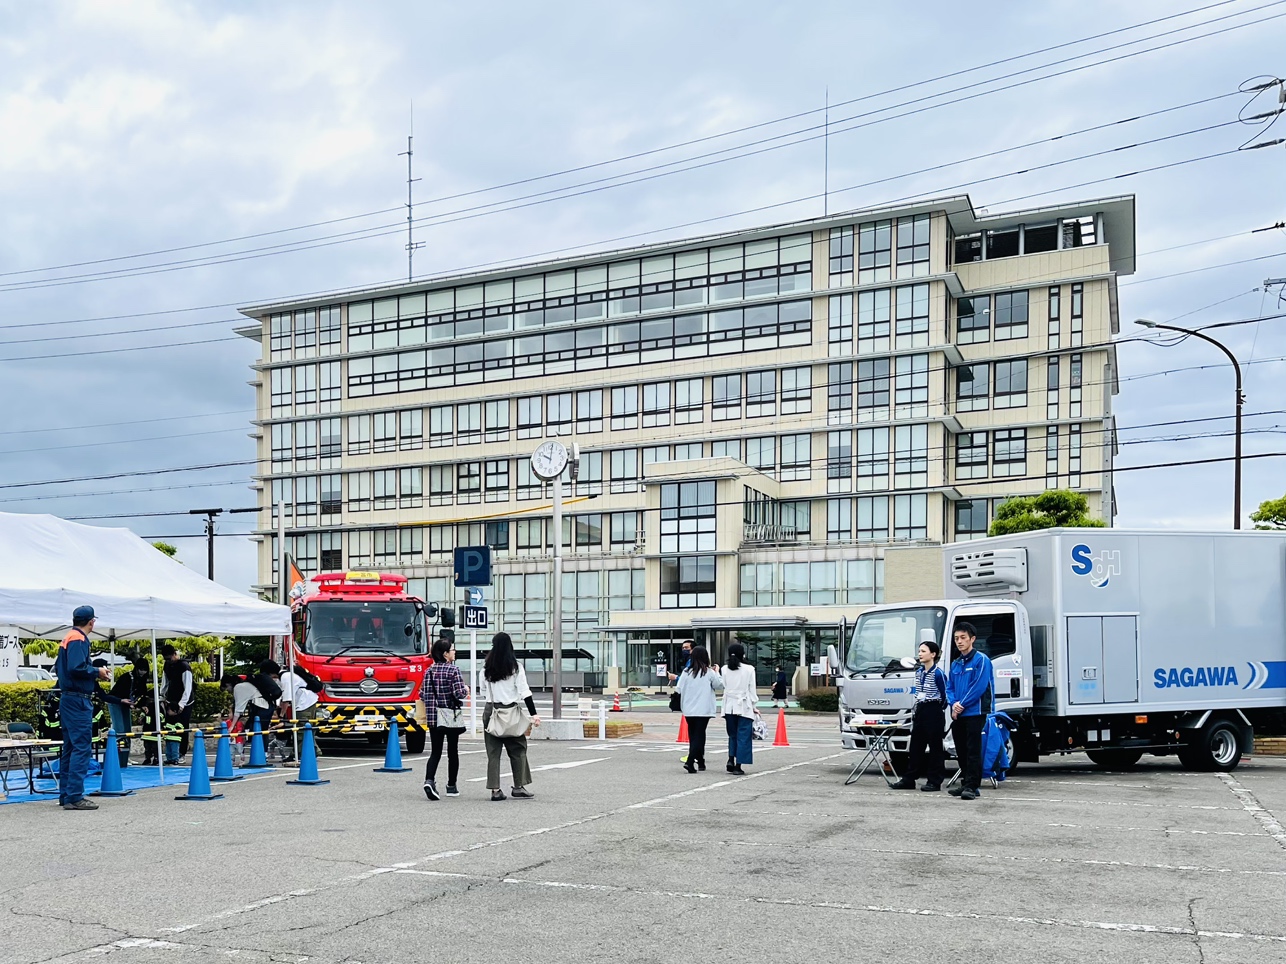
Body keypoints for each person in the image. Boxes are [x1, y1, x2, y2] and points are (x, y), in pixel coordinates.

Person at [53, 605, 110, 811]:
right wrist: (97, 671)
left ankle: (66, 795)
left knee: (70, 747)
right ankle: (75, 796)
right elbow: (76, 668)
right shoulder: (78, 639)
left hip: (68, 699)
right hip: (78, 700)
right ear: (91, 622)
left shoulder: (68, 637)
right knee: (81, 747)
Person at [480, 632, 540, 801]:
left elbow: (483, 691)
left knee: (493, 752)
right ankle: (519, 786)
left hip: (491, 711)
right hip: (511, 711)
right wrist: (533, 714)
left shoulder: (485, 668)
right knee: (518, 748)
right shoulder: (515, 667)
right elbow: (525, 692)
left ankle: (495, 790)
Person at [890, 640, 949, 792]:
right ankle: (909, 779)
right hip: (920, 709)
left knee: (935, 747)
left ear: (933, 654)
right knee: (916, 746)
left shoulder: (938, 673)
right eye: (919, 651)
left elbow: (945, 696)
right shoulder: (919, 672)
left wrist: (936, 709)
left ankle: (934, 781)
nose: (920, 654)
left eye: (923, 651)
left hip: (934, 709)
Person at [947, 622, 994, 801]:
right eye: (956, 638)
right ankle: (967, 782)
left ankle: (972, 786)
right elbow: (949, 687)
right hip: (959, 713)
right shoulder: (956, 663)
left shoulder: (981, 660)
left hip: (975, 712)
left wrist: (961, 705)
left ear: (972, 639)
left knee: (973, 749)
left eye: (963, 638)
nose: (959, 642)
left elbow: (979, 686)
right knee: (961, 750)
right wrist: (953, 704)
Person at [422, 637, 469, 800]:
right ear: (445, 654)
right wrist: (465, 689)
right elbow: (459, 693)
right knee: (452, 751)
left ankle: (429, 780)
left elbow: (423, 693)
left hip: (434, 717)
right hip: (450, 716)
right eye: (452, 650)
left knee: (435, 752)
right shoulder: (453, 670)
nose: (454, 652)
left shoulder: (429, 671)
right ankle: (451, 786)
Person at [676, 645, 722, 773]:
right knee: (700, 735)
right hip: (704, 709)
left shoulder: (686, 672)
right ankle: (690, 761)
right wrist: (717, 671)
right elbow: (719, 685)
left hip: (688, 709)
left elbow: (678, 689)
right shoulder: (709, 672)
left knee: (693, 735)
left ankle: (700, 761)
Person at [720, 642, 760, 775]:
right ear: (742, 654)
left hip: (728, 705)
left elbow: (724, 685)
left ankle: (730, 759)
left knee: (732, 734)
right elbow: (751, 689)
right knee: (743, 736)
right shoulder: (749, 669)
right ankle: (738, 765)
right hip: (744, 706)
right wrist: (754, 706)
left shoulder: (724, 669)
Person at [220, 672, 272, 757]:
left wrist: (232, 726)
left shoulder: (238, 687)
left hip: (262, 707)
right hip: (265, 706)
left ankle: (262, 755)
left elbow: (238, 709)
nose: (228, 692)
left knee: (259, 730)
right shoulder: (244, 685)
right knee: (260, 730)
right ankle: (262, 754)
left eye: (226, 689)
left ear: (228, 684)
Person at [278, 663, 323, 758]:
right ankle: (314, 750)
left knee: (301, 730)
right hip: (310, 701)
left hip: (304, 704)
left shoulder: (286, 677)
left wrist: (281, 716)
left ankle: (298, 754)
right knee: (308, 728)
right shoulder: (290, 674)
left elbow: (286, 699)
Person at [159, 644, 195, 762]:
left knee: (183, 728)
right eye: (166, 659)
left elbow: (188, 687)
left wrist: (182, 704)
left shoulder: (184, 666)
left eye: (169, 658)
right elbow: (165, 682)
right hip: (171, 700)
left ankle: (182, 753)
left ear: (175, 654)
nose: (168, 661)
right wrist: (162, 697)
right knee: (170, 727)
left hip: (185, 702)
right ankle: (171, 754)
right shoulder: (167, 665)